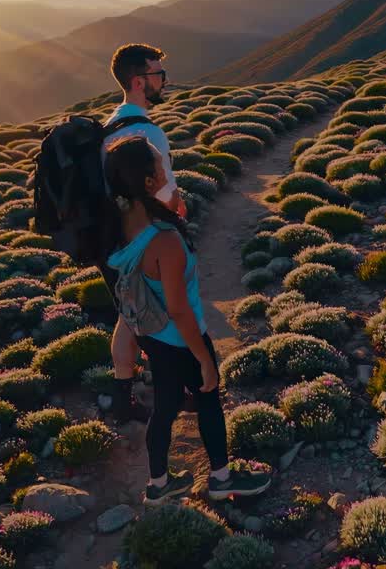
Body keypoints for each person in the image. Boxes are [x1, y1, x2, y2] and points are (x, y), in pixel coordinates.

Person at [103, 134, 272, 504]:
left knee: (164, 406)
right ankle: (221, 478)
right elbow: (179, 308)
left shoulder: (122, 228)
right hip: (181, 338)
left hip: (151, 336)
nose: (166, 166)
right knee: (209, 399)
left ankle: (159, 485)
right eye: (159, 163)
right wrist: (202, 357)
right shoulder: (165, 240)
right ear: (149, 181)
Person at [98, 43, 187, 423]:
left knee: (129, 315)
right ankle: (176, 394)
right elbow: (165, 195)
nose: (164, 82)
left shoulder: (111, 123)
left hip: (112, 239)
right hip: (146, 241)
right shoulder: (146, 133)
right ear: (138, 81)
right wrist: (180, 214)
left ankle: (122, 397)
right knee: (164, 317)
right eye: (158, 75)